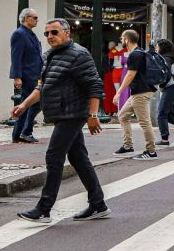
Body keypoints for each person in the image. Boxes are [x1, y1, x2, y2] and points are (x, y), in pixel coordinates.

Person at [12, 19, 108, 223]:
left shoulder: (79, 54)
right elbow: (42, 87)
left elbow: (94, 85)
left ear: (66, 32)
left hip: (72, 114)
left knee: (54, 156)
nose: (49, 37)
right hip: (61, 113)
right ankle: (98, 204)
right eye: (46, 34)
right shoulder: (49, 56)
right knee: (79, 159)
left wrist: (93, 115)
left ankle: (44, 208)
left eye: (54, 32)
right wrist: (24, 105)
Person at [113, 29, 158, 160]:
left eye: (122, 38)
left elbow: (130, 74)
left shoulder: (135, 55)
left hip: (141, 92)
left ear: (127, 40)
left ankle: (151, 151)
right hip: (137, 93)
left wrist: (118, 92)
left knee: (144, 122)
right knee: (122, 116)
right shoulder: (140, 52)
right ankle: (128, 146)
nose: (121, 40)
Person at [9, 8, 43, 144]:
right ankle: (24, 132)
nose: (36, 20)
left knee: (27, 103)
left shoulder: (30, 34)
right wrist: (17, 76)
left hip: (35, 74)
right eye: (34, 18)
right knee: (33, 102)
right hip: (27, 75)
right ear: (25, 18)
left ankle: (19, 133)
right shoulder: (19, 34)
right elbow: (15, 56)